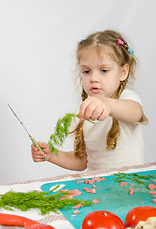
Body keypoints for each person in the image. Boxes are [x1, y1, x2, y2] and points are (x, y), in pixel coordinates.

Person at [31, 29, 148, 171]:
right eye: (87, 71)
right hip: (96, 187)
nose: (93, 78)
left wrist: (107, 104)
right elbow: (80, 162)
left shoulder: (127, 99)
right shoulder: (81, 114)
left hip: (129, 185)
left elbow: (135, 112)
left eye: (104, 70)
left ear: (123, 72)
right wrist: (52, 155)